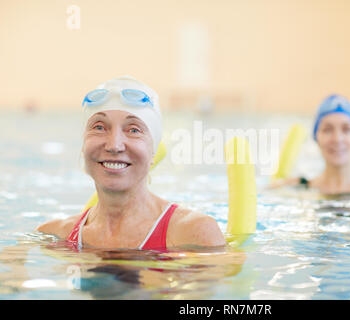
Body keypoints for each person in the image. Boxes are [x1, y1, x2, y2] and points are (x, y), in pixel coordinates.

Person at [36, 76, 226, 250]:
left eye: (133, 130)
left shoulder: (194, 233)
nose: (114, 145)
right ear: (83, 145)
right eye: (99, 127)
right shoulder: (55, 236)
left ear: (153, 152)